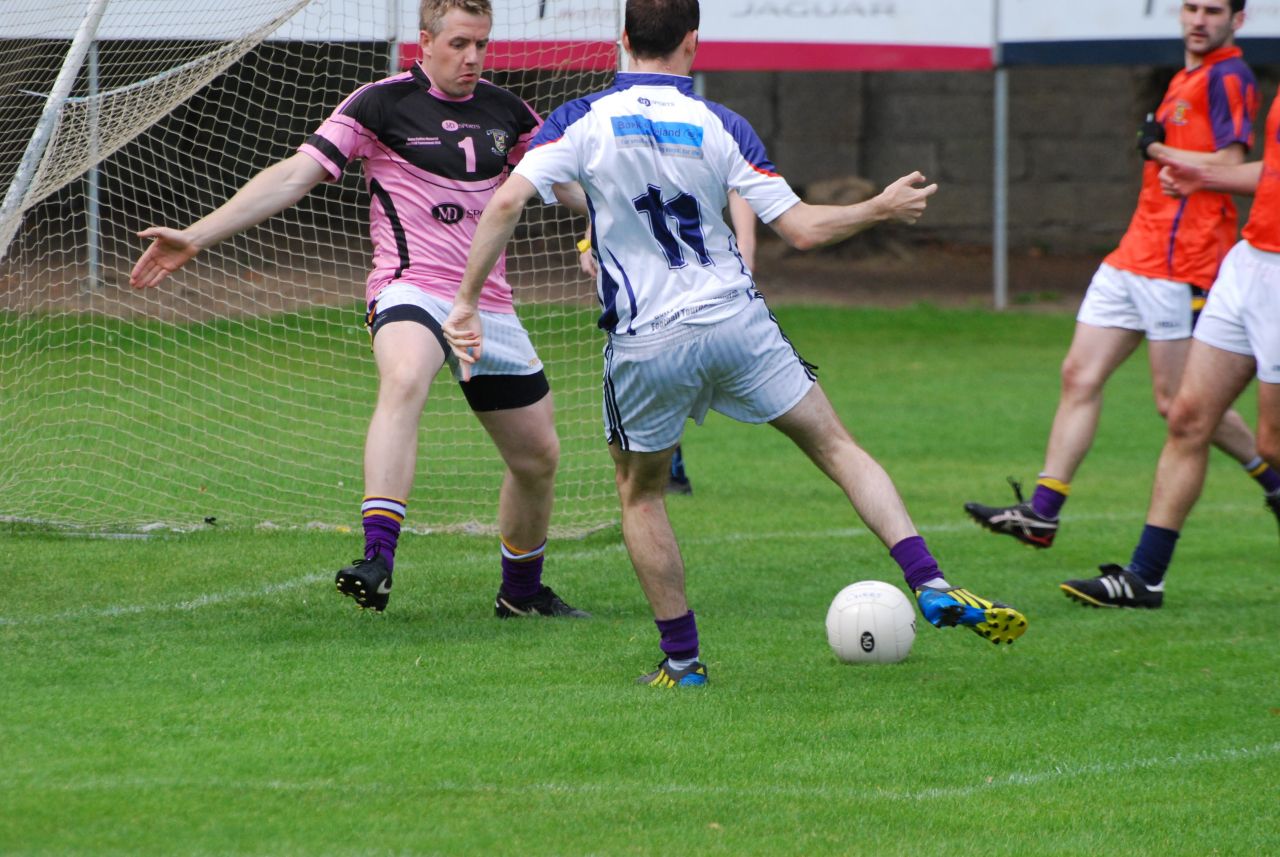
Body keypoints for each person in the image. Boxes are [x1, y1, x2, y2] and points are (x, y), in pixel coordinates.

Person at [442, 0, 1028, 687]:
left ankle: (684, 661)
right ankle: (928, 579)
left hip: (647, 340)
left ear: (623, 39)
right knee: (838, 448)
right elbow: (803, 229)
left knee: (641, 493)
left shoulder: (580, 120)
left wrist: (466, 301)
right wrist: (879, 207)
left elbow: (506, 202)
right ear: (694, 42)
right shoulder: (723, 125)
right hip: (735, 322)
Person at [129, 0, 588, 619]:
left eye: (481, 43)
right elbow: (293, 176)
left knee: (538, 457)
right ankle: (377, 558)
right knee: (404, 378)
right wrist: (197, 235)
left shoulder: (510, 114)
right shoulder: (379, 103)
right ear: (423, 42)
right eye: (458, 43)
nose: (473, 57)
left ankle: (522, 594)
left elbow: (567, 188)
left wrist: (605, 222)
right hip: (410, 287)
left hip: (486, 304)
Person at [965, 0, 1279, 549]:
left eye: (1212, 11)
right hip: (1134, 254)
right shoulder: (1189, 74)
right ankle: (1043, 511)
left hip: (1182, 259)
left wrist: (1156, 146)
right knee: (1078, 376)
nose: (1199, 20)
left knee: (1177, 405)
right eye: (1190, 7)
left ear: (1238, 21)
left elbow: (1233, 164)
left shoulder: (1230, 75)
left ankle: (1272, 480)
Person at [1060, 100, 1280, 608]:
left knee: (1272, 444)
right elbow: (1271, 172)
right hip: (1248, 263)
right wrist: (1203, 176)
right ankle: (1145, 577)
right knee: (1187, 416)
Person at [577, 191, 757, 496]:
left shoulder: (717, 158)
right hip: (647, 286)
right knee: (660, 380)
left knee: (671, 377)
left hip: (699, 291)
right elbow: (607, 194)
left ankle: (666, 471)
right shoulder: (639, 157)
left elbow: (742, 211)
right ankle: (669, 471)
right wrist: (587, 242)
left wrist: (745, 266)